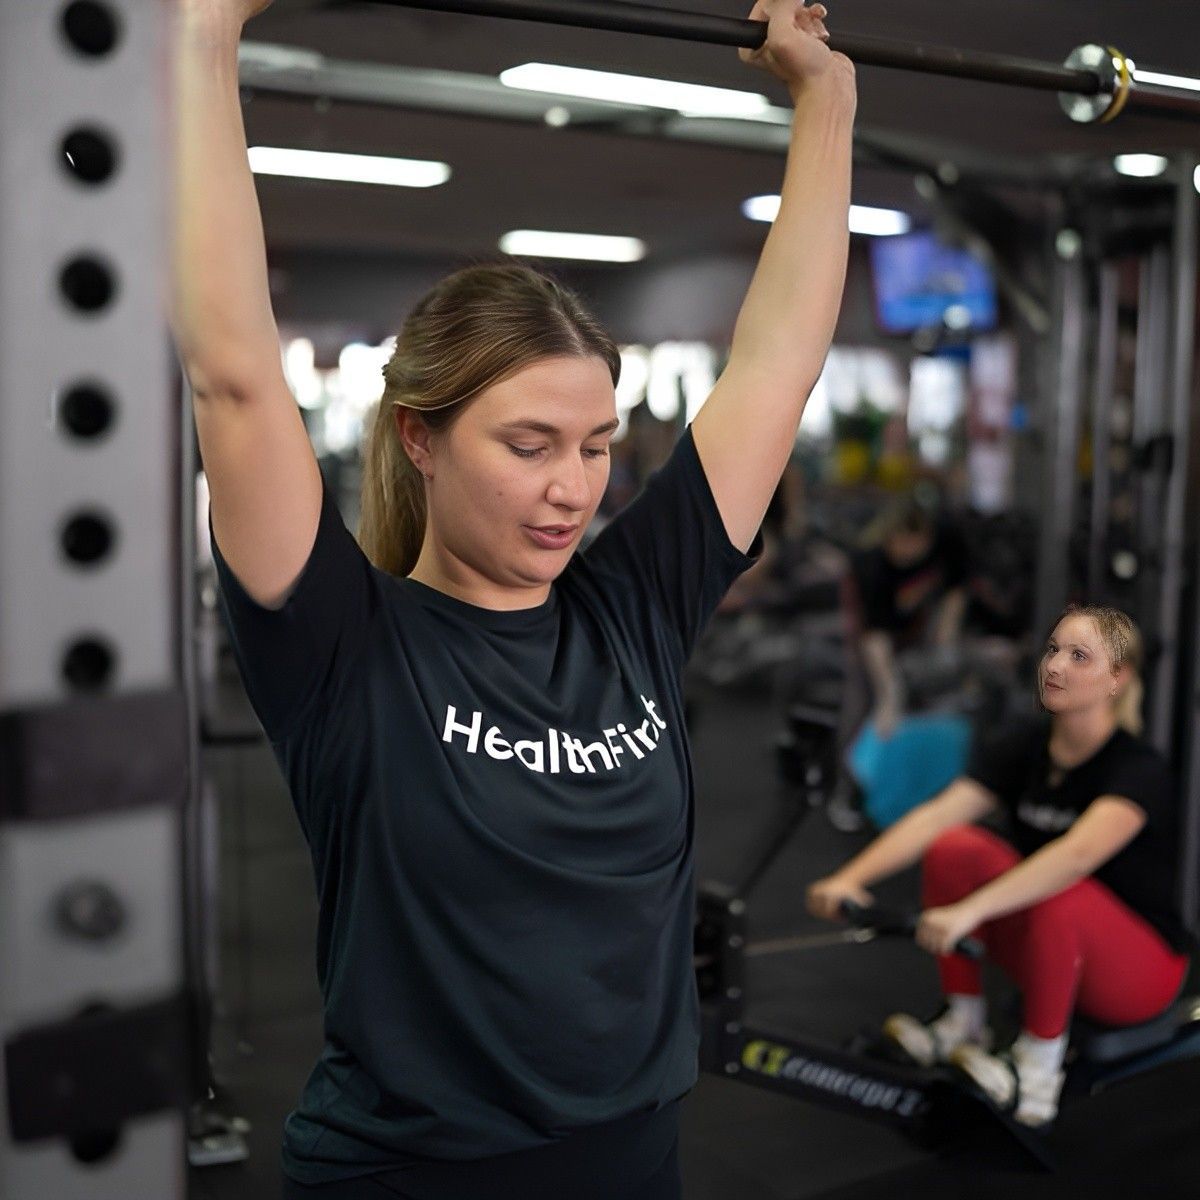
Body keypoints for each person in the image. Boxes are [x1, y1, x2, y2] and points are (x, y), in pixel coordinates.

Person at [173, 1, 856, 1196]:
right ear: (419, 442)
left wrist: (826, 102)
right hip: (411, 1175)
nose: (572, 490)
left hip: (636, 1156)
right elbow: (233, 373)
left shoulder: (634, 605)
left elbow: (778, 362)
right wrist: (202, 32)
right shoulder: (343, 642)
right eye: (531, 444)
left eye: (596, 446)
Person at [807, 604, 1191, 1127]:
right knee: (956, 846)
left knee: (1058, 887)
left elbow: (1074, 857)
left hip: (1139, 973)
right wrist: (851, 877)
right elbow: (936, 816)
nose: (1055, 666)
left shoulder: (1137, 768)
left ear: (1117, 679)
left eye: (1079, 656)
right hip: (1052, 945)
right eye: (1053, 650)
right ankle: (964, 1023)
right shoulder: (1027, 745)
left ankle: (1036, 1072)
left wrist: (970, 911)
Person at [847, 495, 969, 739]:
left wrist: (946, 632)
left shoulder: (947, 538)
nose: (908, 553)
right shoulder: (871, 565)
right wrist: (889, 693)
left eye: (915, 546)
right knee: (869, 695)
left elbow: (958, 588)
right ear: (889, 538)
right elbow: (874, 635)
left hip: (921, 624)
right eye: (901, 545)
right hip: (878, 634)